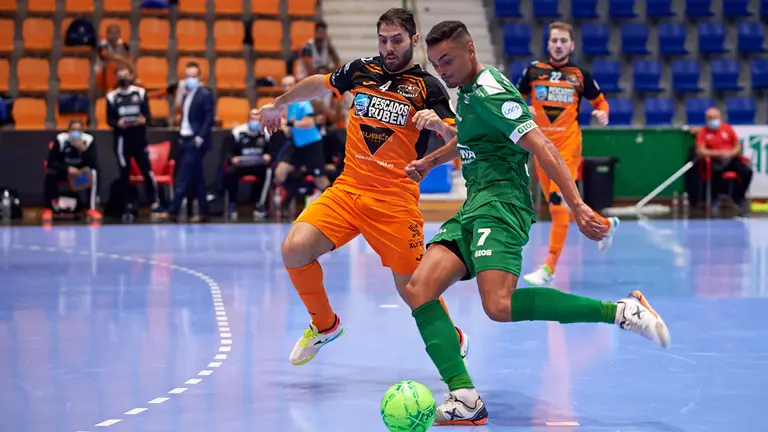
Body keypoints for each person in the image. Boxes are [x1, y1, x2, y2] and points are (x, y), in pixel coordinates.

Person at [400, 21, 672, 425]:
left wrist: (577, 204)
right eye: (436, 63)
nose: (443, 70)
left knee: (499, 305)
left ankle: (619, 311)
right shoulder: (471, 93)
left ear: (470, 50)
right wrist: (430, 160)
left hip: (502, 206)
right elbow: (470, 137)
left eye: (449, 60)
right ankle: (465, 397)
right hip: (474, 205)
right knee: (419, 289)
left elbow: (541, 143)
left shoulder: (492, 90)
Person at [254, 8, 470, 368]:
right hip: (348, 189)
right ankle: (325, 325)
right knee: (294, 250)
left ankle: (454, 334)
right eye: (383, 39)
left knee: (415, 291)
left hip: (394, 200)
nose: (388, 47)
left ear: (414, 41)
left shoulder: (427, 88)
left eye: (397, 40)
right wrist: (278, 104)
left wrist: (440, 126)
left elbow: (459, 139)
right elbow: (320, 83)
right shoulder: (360, 70)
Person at [516, 21, 619, 287]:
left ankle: (549, 268)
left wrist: (602, 113)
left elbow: (600, 101)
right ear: (548, 44)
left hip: (568, 147)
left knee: (559, 205)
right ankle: (605, 225)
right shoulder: (533, 70)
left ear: (571, 45)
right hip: (539, 145)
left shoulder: (579, 74)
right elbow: (516, 99)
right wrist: (525, 109)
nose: (559, 45)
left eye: (564, 41)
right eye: (554, 41)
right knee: (560, 205)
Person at [106, 66, 160, 219]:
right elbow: (109, 120)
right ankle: (127, 206)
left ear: (131, 76)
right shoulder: (112, 96)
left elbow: (148, 116)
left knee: (147, 172)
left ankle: (154, 203)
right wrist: (118, 123)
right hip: (122, 141)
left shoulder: (140, 93)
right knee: (124, 174)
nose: (123, 78)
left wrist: (143, 120)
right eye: (120, 75)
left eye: (126, 74)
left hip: (139, 139)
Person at [166, 61, 215, 222]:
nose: (190, 79)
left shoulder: (205, 94)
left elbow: (209, 119)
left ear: (200, 77)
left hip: (195, 140)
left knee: (183, 177)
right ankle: (204, 212)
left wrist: (199, 138)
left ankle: (173, 210)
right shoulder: (186, 94)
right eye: (187, 76)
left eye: (193, 76)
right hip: (185, 138)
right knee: (197, 178)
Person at [42, 119, 102, 223]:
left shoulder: (88, 140)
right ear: (68, 130)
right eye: (73, 130)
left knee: (94, 173)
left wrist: (83, 149)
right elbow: (50, 162)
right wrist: (67, 169)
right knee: (50, 174)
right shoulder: (60, 139)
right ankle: (48, 209)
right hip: (64, 171)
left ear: (83, 131)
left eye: (78, 130)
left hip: (80, 173)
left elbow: (93, 163)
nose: (76, 133)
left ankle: (91, 208)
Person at [696, 107, 753, 214]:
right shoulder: (702, 132)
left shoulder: (727, 129)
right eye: (710, 118)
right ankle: (715, 198)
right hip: (715, 160)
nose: (713, 120)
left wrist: (732, 153)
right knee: (715, 172)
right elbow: (701, 151)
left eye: (715, 117)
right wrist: (719, 154)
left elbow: (737, 145)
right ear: (706, 120)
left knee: (747, 172)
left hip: (731, 158)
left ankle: (738, 198)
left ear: (720, 118)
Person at [221, 112, 278, 219]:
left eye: (258, 120)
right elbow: (227, 152)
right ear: (247, 120)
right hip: (241, 165)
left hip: (258, 165)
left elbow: (272, 152)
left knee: (268, 172)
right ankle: (232, 205)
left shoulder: (266, 133)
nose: (255, 122)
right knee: (230, 172)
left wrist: (269, 156)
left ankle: (260, 205)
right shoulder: (237, 132)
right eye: (253, 119)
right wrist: (233, 159)